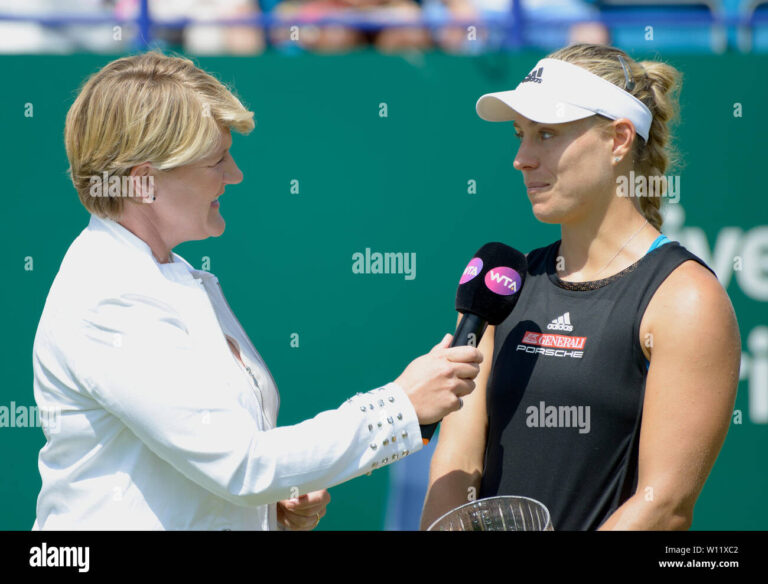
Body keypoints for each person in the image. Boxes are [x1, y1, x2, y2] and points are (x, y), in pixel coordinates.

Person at [31, 51, 482, 530]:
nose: (234, 174)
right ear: (144, 183)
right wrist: (401, 406)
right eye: (215, 160)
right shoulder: (110, 296)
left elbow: (224, 467)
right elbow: (243, 465)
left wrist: (270, 505)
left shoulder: (172, 276)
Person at [420, 43, 741, 531]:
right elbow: (455, 466)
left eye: (546, 134)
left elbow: (664, 506)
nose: (521, 159)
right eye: (520, 135)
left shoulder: (686, 299)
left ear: (618, 139)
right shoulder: (505, 287)